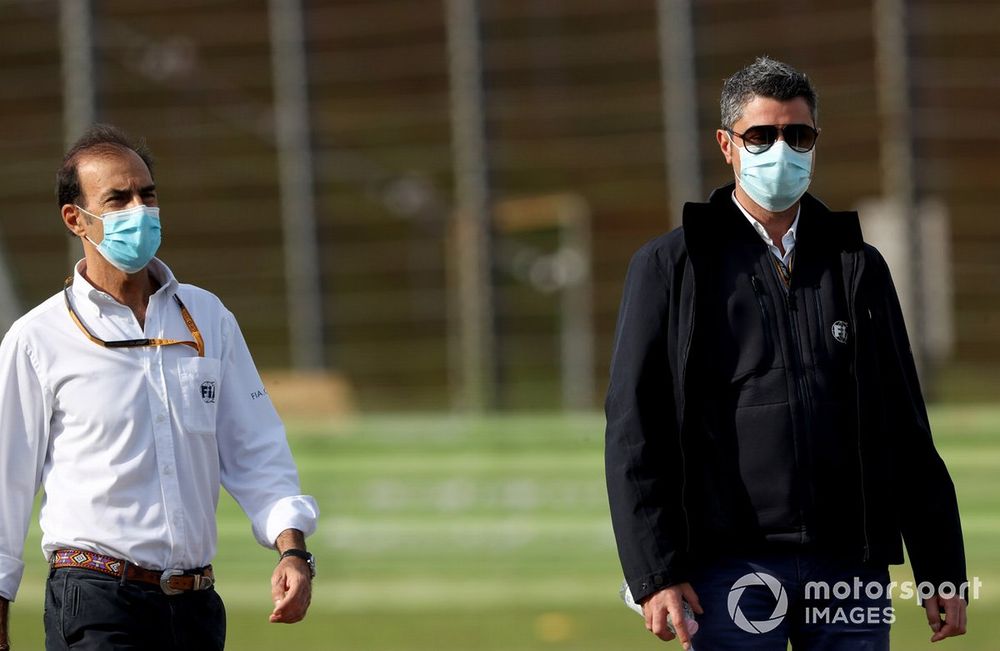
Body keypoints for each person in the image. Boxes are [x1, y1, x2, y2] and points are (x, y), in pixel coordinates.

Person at [605, 57, 967, 650]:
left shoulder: (858, 265)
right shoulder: (671, 267)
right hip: (727, 569)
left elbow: (903, 424)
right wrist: (655, 573)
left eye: (798, 135)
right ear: (727, 145)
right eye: (761, 135)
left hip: (848, 566)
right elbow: (632, 430)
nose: (782, 149)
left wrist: (942, 568)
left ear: (815, 144)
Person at [0, 124, 320, 650]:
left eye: (146, 194)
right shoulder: (39, 337)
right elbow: (7, 487)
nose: (139, 210)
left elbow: (257, 450)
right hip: (95, 600)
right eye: (118, 198)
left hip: (195, 606)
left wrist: (292, 550)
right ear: (75, 218)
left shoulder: (207, 317)